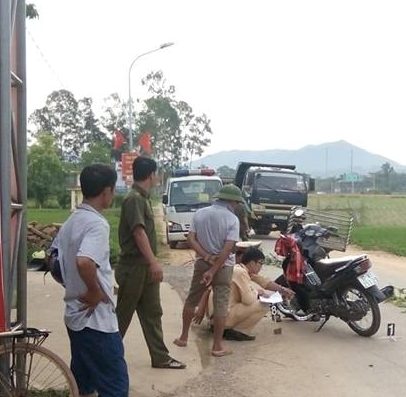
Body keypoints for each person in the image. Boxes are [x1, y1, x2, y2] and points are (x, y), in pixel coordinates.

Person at [56, 163, 164, 397]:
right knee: (117, 382)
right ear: (106, 191)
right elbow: (84, 261)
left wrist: (75, 288)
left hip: (75, 315)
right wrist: (93, 290)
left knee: (83, 381)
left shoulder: (71, 221)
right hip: (95, 319)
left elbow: (54, 262)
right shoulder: (97, 225)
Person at [115, 157, 185, 369]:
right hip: (134, 267)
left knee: (153, 312)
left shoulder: (142, 198)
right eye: (156, 173)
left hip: (144, 268)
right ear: (151, 174)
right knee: (122, 317)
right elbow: (138, 232)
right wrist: (154, 262)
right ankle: (106, 360)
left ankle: (160, 356)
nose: (157, 177)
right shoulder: (135, 199)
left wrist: (151, 264)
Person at [173, 184, 242, 357]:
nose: (236, 205)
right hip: (224, 267)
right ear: (232, 201)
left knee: (192, 299)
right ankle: (217, 346)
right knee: (220, 305)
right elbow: (228, 249)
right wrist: (214, 268)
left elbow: (190, 238)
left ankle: (183, 337)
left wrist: (205, 256)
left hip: (202, 263)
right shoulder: (232, 219)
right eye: (236, 202)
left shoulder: (200, 213)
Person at [194, 245, 296, 341]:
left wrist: (282, 289)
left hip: (216, 317)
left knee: (257, 298)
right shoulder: (241, 272)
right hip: (222, 317)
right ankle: (238, 331)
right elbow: (248, 300)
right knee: (264, 304)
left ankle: (224, 328)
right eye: (260, 263)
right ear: (252, 263)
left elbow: (264, 281)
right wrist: (258, 292)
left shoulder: (240, 270)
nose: (261, 267)